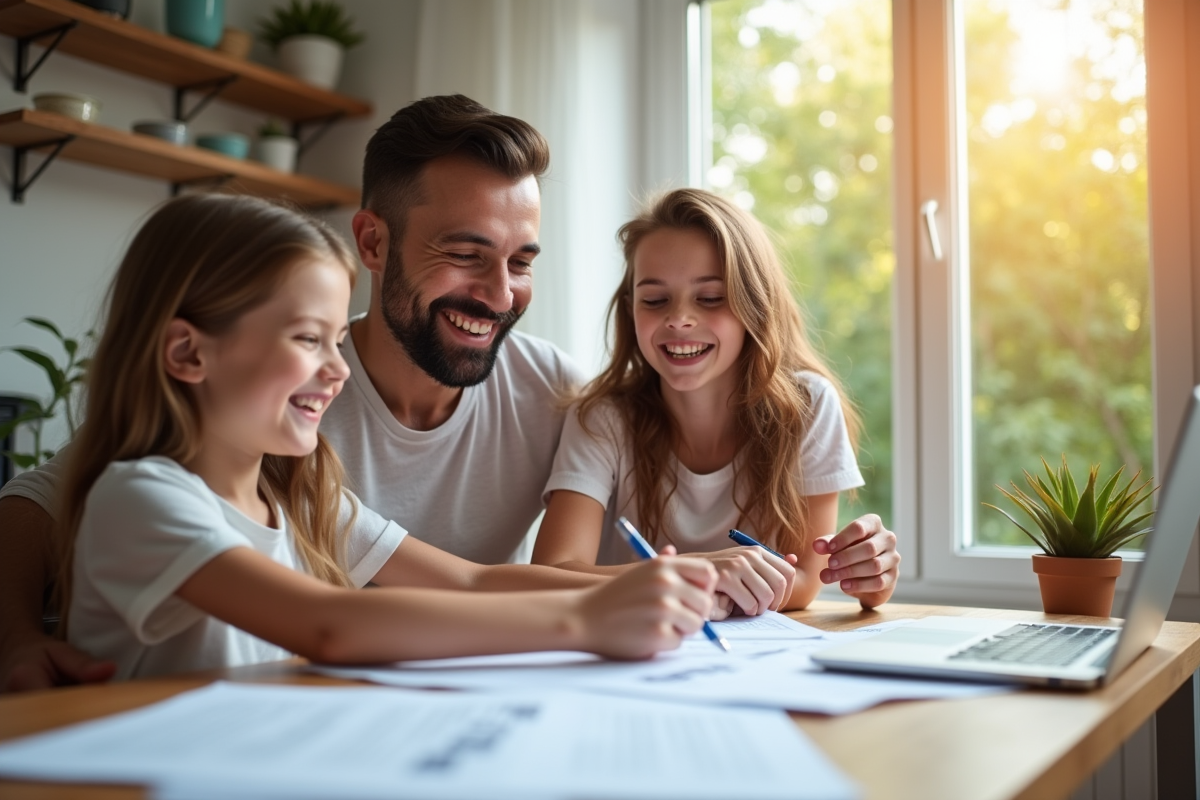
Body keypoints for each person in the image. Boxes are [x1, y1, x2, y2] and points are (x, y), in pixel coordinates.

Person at [0, 95, 898, 690]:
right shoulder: (261, 426)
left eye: (521, 262)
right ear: (375, 244)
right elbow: (48, 499)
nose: (500, 294)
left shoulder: (538, 397)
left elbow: (473, 579)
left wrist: (692, 574)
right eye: (466, 254)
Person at [57, 193, 716, 680]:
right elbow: (330, 626)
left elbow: (469, 585)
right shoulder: (140, 498)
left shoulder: (298, 493)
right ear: (187, 353)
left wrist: (638, 589)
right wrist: (585, 623)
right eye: (308, 339)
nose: (339, 368)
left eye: (337, 340)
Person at [532, 189, 899, 613]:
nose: (679, 318)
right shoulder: (601, 417)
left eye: (710, 298)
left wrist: (871, 578)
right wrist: (704, 570)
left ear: (755, 306)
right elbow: (553, 570)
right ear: (631, 309)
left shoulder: (808, 405)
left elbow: (803, 582)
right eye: (654, 300)